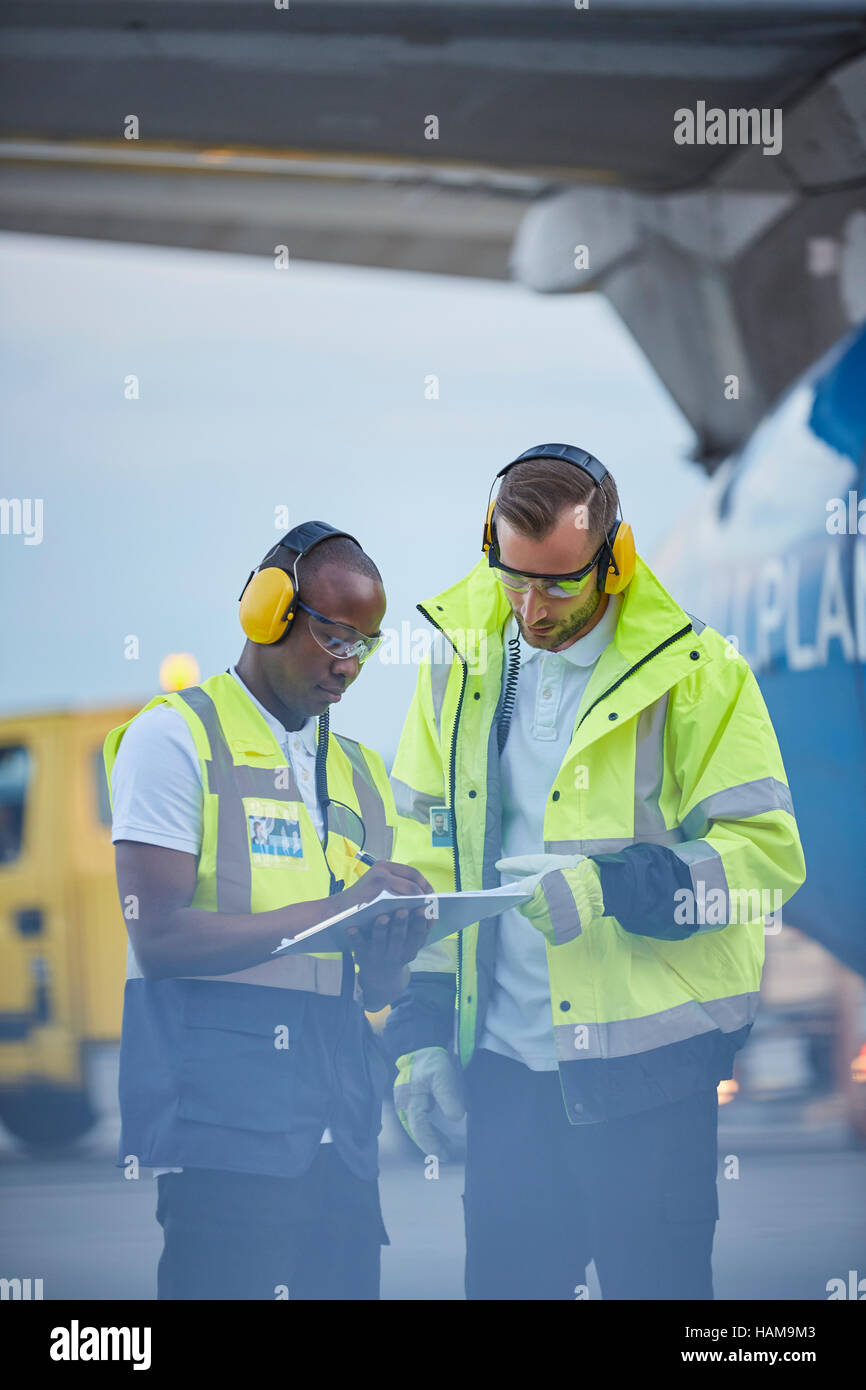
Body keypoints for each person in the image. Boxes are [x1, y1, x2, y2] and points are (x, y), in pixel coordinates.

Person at [384, 444, 806, 1300]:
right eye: (512, 578)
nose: (531, 609)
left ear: (612, 561)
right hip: (504, 1074)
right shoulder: (461, 667)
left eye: (559, 584)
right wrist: (421, 1032)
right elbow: (427, 867)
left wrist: (613, 889)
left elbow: (765, 862)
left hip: (648, 1080)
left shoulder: (695, 674)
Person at [105, 520, 432, 1300]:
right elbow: (158, 938)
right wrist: (340, 906)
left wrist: (388, 954)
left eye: (366, 643)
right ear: (268, 610)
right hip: (225, 1136)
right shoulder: (175, 738)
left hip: (340, 1140)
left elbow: (363, 987)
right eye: (333, 636)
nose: (348, 665)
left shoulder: (358, 771)